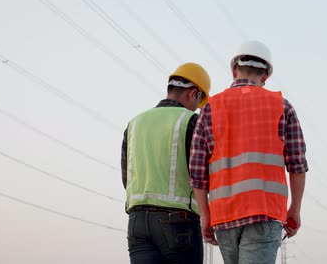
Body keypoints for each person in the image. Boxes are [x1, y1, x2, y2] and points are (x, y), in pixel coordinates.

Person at [190, 41, 308, 264]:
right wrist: (294, 209)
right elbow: (297, 165)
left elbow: (197, 173)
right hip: (265, 212)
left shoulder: (209, 110)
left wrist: (205, 216)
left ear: (234, 70)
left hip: (224, 216)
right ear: (265, 76)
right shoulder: (282, 107)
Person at [121, 62, 211, 264]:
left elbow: (126, 177)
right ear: (193, 93)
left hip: (137, 223)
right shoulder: (192, 121)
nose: (198, 107)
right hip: (179, 223)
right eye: (199, 100)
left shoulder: (135, 123)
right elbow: (202, 175)